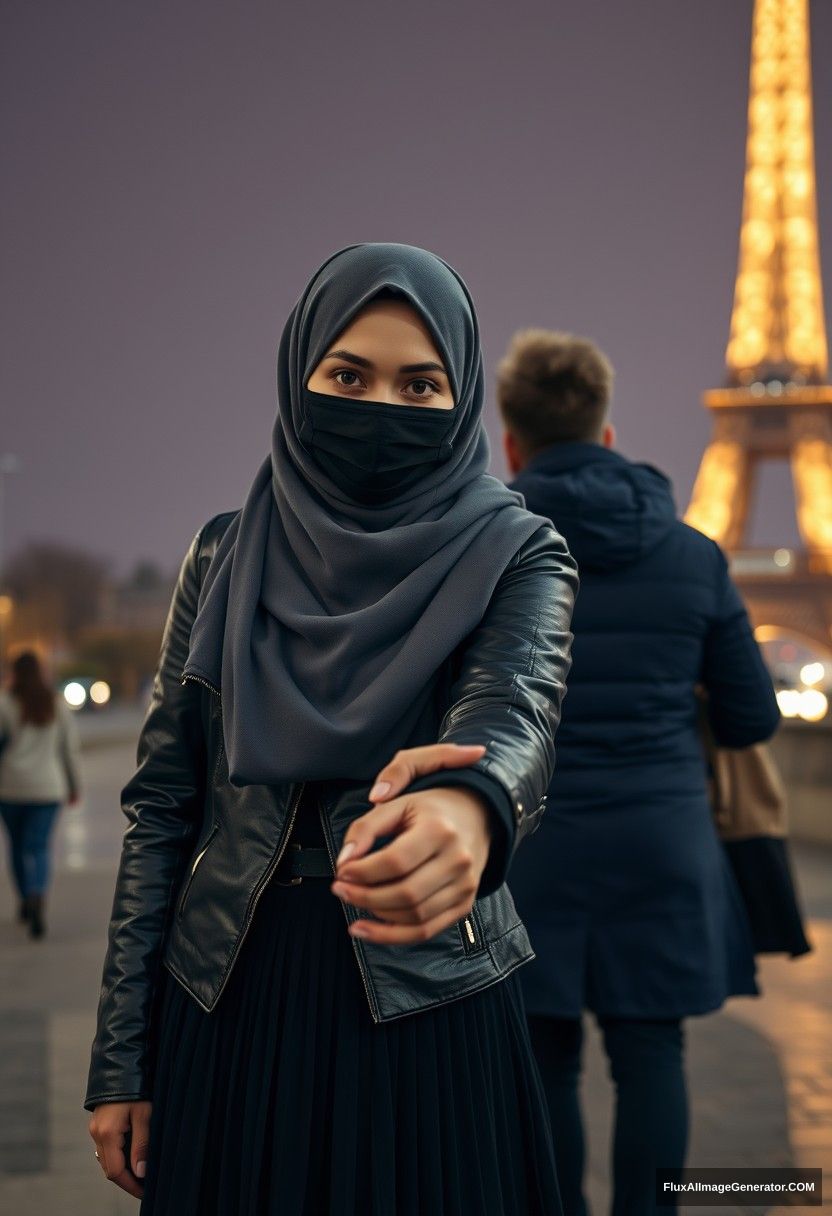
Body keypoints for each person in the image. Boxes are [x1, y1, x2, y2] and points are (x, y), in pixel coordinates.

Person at [84, 244, 579, 1216]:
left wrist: (467, 814)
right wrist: (119, 1059)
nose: (380, 405)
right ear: (298, 370)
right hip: (230, 993)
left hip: (426, 993)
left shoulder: (519, 552)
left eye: (420, 383)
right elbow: (162, 810)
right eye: (348, 375)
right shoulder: (225, 552)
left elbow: (512, 709)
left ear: (463, 393)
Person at [497, 330, 780, 1216]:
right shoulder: (695, 555)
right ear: (609, 433)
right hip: (663, 841)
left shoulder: (484, 554)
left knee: (545, 1059)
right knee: (652, 1055)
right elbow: (752, 718)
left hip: (530, 846)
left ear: (511, 443)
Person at [0, 650, 82, 939]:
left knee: (18, 846)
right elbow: (69, 751)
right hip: (48, 788)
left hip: (10, 788)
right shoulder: (57, 705)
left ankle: (25, 898)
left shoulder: (5, 704)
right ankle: (37, 896)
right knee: (38, 847)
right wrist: (74, 786)